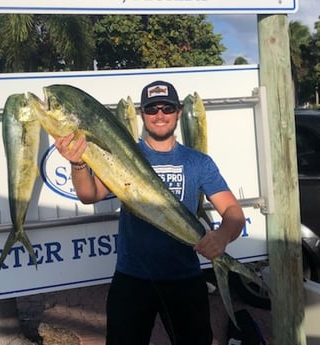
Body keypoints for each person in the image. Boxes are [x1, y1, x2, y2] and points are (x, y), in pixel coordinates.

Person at [54, 80, 245, 345]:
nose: (159, 115)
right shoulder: (122, 152)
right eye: (151, 109)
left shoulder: (198, 161)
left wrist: (223, 236)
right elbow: (90, 195)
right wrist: (77, 163)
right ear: (142, 114)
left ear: (178, 112)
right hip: (132, 278)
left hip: (185, 278)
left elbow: (233, 212)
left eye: (166, 108)